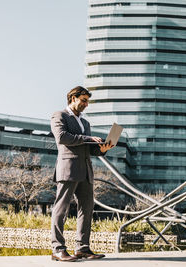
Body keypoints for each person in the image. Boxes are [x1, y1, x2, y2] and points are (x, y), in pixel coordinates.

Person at [50, 86, 114, 262]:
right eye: (83, 100)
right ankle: (57, 249)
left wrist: (102, 149)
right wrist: (87, 139)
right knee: (61, 209)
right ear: (73, 98)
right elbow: (62, 137)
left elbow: (89, 149)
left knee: (86, 209)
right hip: (68, 169)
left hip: (86, 170)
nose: (86, 104)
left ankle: (82, 248)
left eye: (87, 101)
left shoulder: (85, 123)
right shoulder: (59, 115)